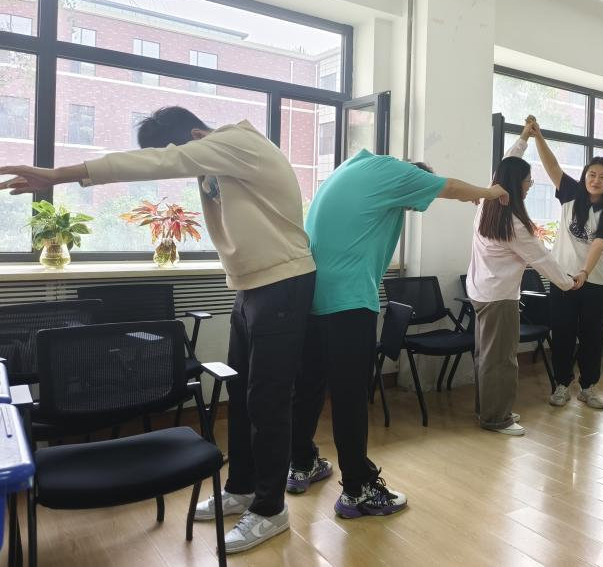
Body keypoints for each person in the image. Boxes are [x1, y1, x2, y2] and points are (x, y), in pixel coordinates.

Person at [0, 106, 314, 554]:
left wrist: (59, 175)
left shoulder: (238, 142)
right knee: (243, 393)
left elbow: (162, 161)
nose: (176, 161)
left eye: (175, 150)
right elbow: (167, 160)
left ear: (195, 135)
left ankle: (271, 509)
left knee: (267, 401)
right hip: (250, 286)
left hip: (283, 282)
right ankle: (242, 488)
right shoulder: (216, 157)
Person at [289, 148, 509, 518]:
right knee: (350, 397)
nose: (411, 208)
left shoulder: (352, 167)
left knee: (309, 386)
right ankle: (358, 490)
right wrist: (489, 193)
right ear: (414, 177)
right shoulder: (394, 172)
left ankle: (300, 463)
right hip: (348, 302)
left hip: (313, 298)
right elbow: (450, 188)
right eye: (413, 202)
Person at [510, 118, 603, 410]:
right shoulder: (572, 194)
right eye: (592, 174)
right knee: (562, 333)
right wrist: (538, 136)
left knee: (592, 336)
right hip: (562, 279)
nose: (596, 180)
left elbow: (598, 244)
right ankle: (561, 384)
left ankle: (588, 387)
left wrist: (584, 271)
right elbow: (552, 167)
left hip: (595, 280)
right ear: (585, 176)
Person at [466, 145, 576, 436]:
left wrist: (524, 138)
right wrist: (568, 283)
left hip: (481, 292)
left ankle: (487, 409)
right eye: (528, 181)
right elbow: (542, 259)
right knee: (501, 359)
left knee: (486, 356)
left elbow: (505, 163)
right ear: (516, 184)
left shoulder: (487, 205)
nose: (530, 186)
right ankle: (496, 417)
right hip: (499, 298)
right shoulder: (513, 223)